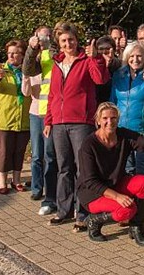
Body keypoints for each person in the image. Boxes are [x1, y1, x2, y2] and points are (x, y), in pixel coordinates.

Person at [44, 22, 110, 231]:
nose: (68, 43)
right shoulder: (57, 64)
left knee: (82, 169)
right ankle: (63, 211)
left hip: (81, 122)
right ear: (59, 43)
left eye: (71, 39)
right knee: (63, 168)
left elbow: (100, 79)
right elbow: (53, 95)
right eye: (63, 40)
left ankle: (82, 213)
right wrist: (48, 120)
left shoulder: (86, 60)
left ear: (76, 40)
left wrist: (96, 58)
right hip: (59, 123)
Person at [77, 102, 144, 246]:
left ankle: (135, 226)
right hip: (93, 193)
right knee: (127, 209)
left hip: (115, 184)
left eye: (114, 118)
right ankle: (93, 220)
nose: (110, 122)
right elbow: (89, 181)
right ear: (97, 120)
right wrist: (117, 197)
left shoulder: (123, 135)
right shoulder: (88, 144)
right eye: (105, 118)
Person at [110, 42, 144, 177]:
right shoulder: (119, 75)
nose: (135, 60)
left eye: (139, 56)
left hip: (142, 132)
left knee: (142, 172)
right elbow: (112, 100)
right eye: (132, 56)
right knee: (126, 171)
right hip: (122, 131)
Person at [0, 40, 32, 194]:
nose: (12, 56)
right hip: (4, 118)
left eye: (15, 53)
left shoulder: (28, 70)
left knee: (19, 151)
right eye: (10, 53)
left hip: (23, 117)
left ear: (22, 55)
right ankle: (2, 181)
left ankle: (16, 180)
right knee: (5, 151)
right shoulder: (1, 69)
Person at [22, 25, 58, 215]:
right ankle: (37, 189)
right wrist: (31, 48)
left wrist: (49, 48)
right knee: (37, 155)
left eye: (47, 36)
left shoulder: (55, 54)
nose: (44, 39)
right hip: (37, 111)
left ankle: (51, 194)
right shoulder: (35, 56)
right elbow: (27, 69)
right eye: (40, 36)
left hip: (53, 112)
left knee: (50, 156)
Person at [92, 35, 122, 105]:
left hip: (112, 106)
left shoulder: (118, 67)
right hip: (94, 106)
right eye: (103, 50)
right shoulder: (92, 67)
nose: (107, 54)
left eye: (109, 49)